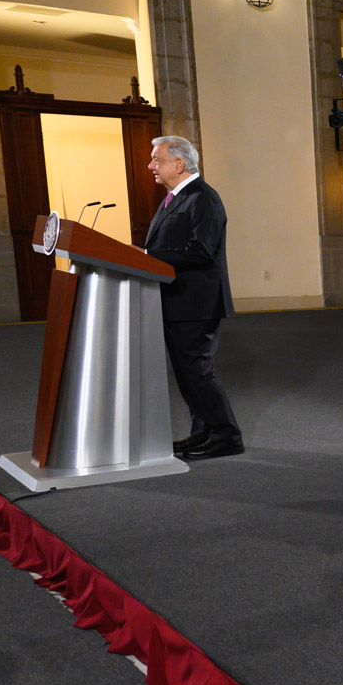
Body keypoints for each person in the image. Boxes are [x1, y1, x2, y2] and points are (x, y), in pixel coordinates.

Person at [143, 135, 242, 460]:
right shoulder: (176, 197)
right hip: (177, 301)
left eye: (157, 160)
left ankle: (227, 436)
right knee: (187, 374)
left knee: (198, 372)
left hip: (196, 304)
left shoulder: (204, 199)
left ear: (179, 164)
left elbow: (201, 252)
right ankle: (203, 432)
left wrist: (146, 256)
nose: (151, 165)